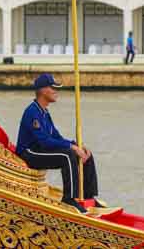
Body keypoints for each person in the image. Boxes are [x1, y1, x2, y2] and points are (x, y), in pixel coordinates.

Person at [16, 73, 102, 214]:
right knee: (67, 155)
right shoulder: (32, 112)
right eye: (53, 88)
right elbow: (44, 141)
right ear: (43, 91)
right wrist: (71, 148)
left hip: (42, 149)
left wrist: (76, 145)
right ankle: (69, 199)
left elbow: (56, 137)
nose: (57, 91)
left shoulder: (45, 112)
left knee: (85, 153)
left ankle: (88, 197)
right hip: (30, 153)